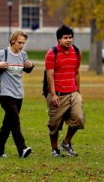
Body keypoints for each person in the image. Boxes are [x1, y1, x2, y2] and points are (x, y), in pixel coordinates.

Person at [0, 30, 34, 159]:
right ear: (12, 41)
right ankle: (22, 149)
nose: (22, 45)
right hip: (6, 95)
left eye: (23, 43)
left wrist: (30, 66)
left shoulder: (23, 55)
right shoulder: (3, 53)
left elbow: (27, 69)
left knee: (7, 125)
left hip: (19, 95)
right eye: (19, 42)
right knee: (15, 122)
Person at [44, 24, 86, 158]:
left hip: (73, 92)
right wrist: (54, 94)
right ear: (59, 40)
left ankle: (66, 142)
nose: (68, 40)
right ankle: (54, 149)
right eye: (65, 38)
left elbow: (77, 73)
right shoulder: (52, 53)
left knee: (79, 119)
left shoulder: (77, 52)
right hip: (58, 94)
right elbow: (49, 75)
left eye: (70, 37)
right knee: (54, 124)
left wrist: (78, 92)